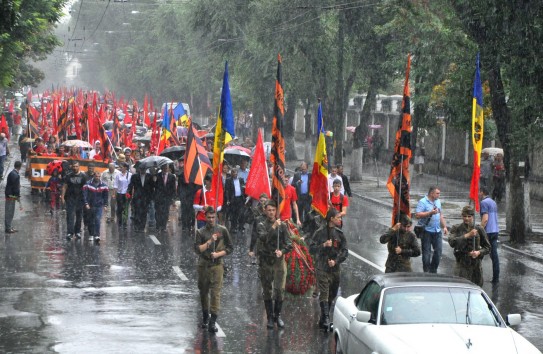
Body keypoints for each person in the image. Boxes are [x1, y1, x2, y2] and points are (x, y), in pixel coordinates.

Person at [194, 207, 233, 332]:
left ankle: (213, 320)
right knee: (204, 292)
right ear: (205, 217)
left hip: (217, 265)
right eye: (209, 217)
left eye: (213, 217)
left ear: (216, 217)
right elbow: (197, 249)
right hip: (204, 265)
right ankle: (205, 316)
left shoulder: (222, 230)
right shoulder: (200, 232)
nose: (211, 220)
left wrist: (219, 254)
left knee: (216, 293)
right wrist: (210, 241)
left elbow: (230, 247)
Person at [309, 208, 348, 329]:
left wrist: (336, 261)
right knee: (324, 293)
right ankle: (326, 318)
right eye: (338, 217)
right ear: (331, 219)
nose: (340, 219)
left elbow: (345, 251)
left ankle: (323, 317)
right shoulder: (320, 232)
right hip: (322, 267)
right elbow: (311, 248)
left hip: (335, 269)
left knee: (332, 293)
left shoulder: (339, 233)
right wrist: (323, 245)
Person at [256, 200, 293, 329]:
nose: (271, 212)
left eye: (273, 210)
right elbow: (263, 238)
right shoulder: (261, 225)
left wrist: (282, 251)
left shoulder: (282, 226)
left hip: (279, 261)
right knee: (267, 290)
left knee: (280, 290)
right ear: (265, 211)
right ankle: (270, 317)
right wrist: (273, 227)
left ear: (276, 211)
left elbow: (289, 244)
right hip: (266, 261)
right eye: (269, 210)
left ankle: (277, 316)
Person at [448, 206, 491, 287]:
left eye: (469, 216)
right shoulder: (457, 228)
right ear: (462, 216)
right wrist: (467, 235)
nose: (466, 218)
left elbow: (488, 248)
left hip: (476, 266)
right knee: (460, 289)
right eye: (464, 216)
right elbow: (452, 242)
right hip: (461, 264)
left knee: (476, 290)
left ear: (473, 216)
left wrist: (478, 252)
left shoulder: (479, 229)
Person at [415, 186, 448, 273]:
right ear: (431, 193)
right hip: (426, 231)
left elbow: (440, 215)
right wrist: (430, 213)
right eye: (437, 193)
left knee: (438, 252)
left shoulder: (438, 202)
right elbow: (417, 215)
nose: (439, 195)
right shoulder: (423, 202)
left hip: (437, 231)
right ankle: (426, 271)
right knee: (426, 254)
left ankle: (433, 270)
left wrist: (444, 226)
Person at [60, 161, 88, 240]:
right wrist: (62, 197)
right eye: (74, 166)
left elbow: (86, 188)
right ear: (72, 167)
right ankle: (70, 232)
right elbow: (64, 186)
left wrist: (87, 199)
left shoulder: (83, 176)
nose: (75, 168)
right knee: (70, 216)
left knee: (79, 216)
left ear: (79, 167)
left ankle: (77, 232)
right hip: (70, 198)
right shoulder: (68, 176)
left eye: (76, 166)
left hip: (80, 198)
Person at [479, 187, 500, 283]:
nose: (478, 194)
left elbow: (485, 218)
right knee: (494, 256)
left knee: (480, 253)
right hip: (495, 231)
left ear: (482, 192)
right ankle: (496, 278)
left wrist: (480, 229)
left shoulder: (484, 203)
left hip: (487, 232)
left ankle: (476, 275)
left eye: (479, 192)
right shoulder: (493, 202)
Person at [83, 171, 109, 243]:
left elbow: (105, 196)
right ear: (93, 176)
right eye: (96, 176)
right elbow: (85, 194)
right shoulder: (88, 184)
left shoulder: (104, 185)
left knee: (97, 219)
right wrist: (86, 203)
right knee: (91, 220)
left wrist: (105, 205)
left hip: (99, 205)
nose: (98, 178)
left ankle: (97, 235)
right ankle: (91, 234)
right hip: (90, 205)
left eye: (99, 176)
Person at [127, 164, 154, 231]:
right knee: (137, 212)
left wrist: (151, 196)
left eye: (144, 169)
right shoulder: (134, 176)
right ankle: (137, 226)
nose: (143, 171)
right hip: (137, 197)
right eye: (141, 169)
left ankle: (142, 227)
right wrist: (128, 193)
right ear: (139, 170)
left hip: (146, 197)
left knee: (144, 212)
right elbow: (131, 186)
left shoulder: (149, 176)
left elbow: (152, 187)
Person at [154, 164, 176, 232]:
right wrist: (154, 180)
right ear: (162, 168)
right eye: (164, 168)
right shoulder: (157, 176)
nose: (165, 169)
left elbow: (173, 188)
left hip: (167, 197)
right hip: (158, 197)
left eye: (167, 168)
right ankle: (158, 226)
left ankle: (163, 226)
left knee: (165, 212)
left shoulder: (172, 176)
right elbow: (154, 186)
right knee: (158, 212)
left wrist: (173, 198)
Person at [249, 193, 269, 264]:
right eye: (261, 201)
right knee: (255, 238)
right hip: (258, 226)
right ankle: (254, 256)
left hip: (268, 227)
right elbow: (255, 218)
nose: (263, 203)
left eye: (264, 201)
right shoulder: (256, 209)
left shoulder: (269, 208)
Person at [225, 168, 246, 232]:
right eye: (233, 172)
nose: (235, 174)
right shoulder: (228, 180)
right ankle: (233, 227)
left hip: (240, 199)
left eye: (236, 172)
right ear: (231, 173)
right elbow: (227, 191)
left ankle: (241, 227)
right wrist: (228, 199)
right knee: (233, 214)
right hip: (233, 199)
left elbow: (244, 189)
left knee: (242, 213)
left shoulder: (241, 179)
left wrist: (245, 198)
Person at [5, 161, 22, 233]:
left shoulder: (12, 173)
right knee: (10, 211)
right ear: (19, 167)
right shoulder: (16, 175)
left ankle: (9, 226)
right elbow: (16, 188)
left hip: (9, 194)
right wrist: (17, 196)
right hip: (11, 195)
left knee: (9, 211)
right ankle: (8, 228)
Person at [113, 162, 131, 229]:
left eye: (122, 167)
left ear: (125, 168)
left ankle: (125, 222)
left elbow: (131, 185)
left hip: (126, 194)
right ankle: (120, 222)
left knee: (125, 208)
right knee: (119, 208)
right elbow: (116, 185)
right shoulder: (118, 175)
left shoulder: (130, 175)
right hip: (119, 193)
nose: (121, 168)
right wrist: (114, 194)